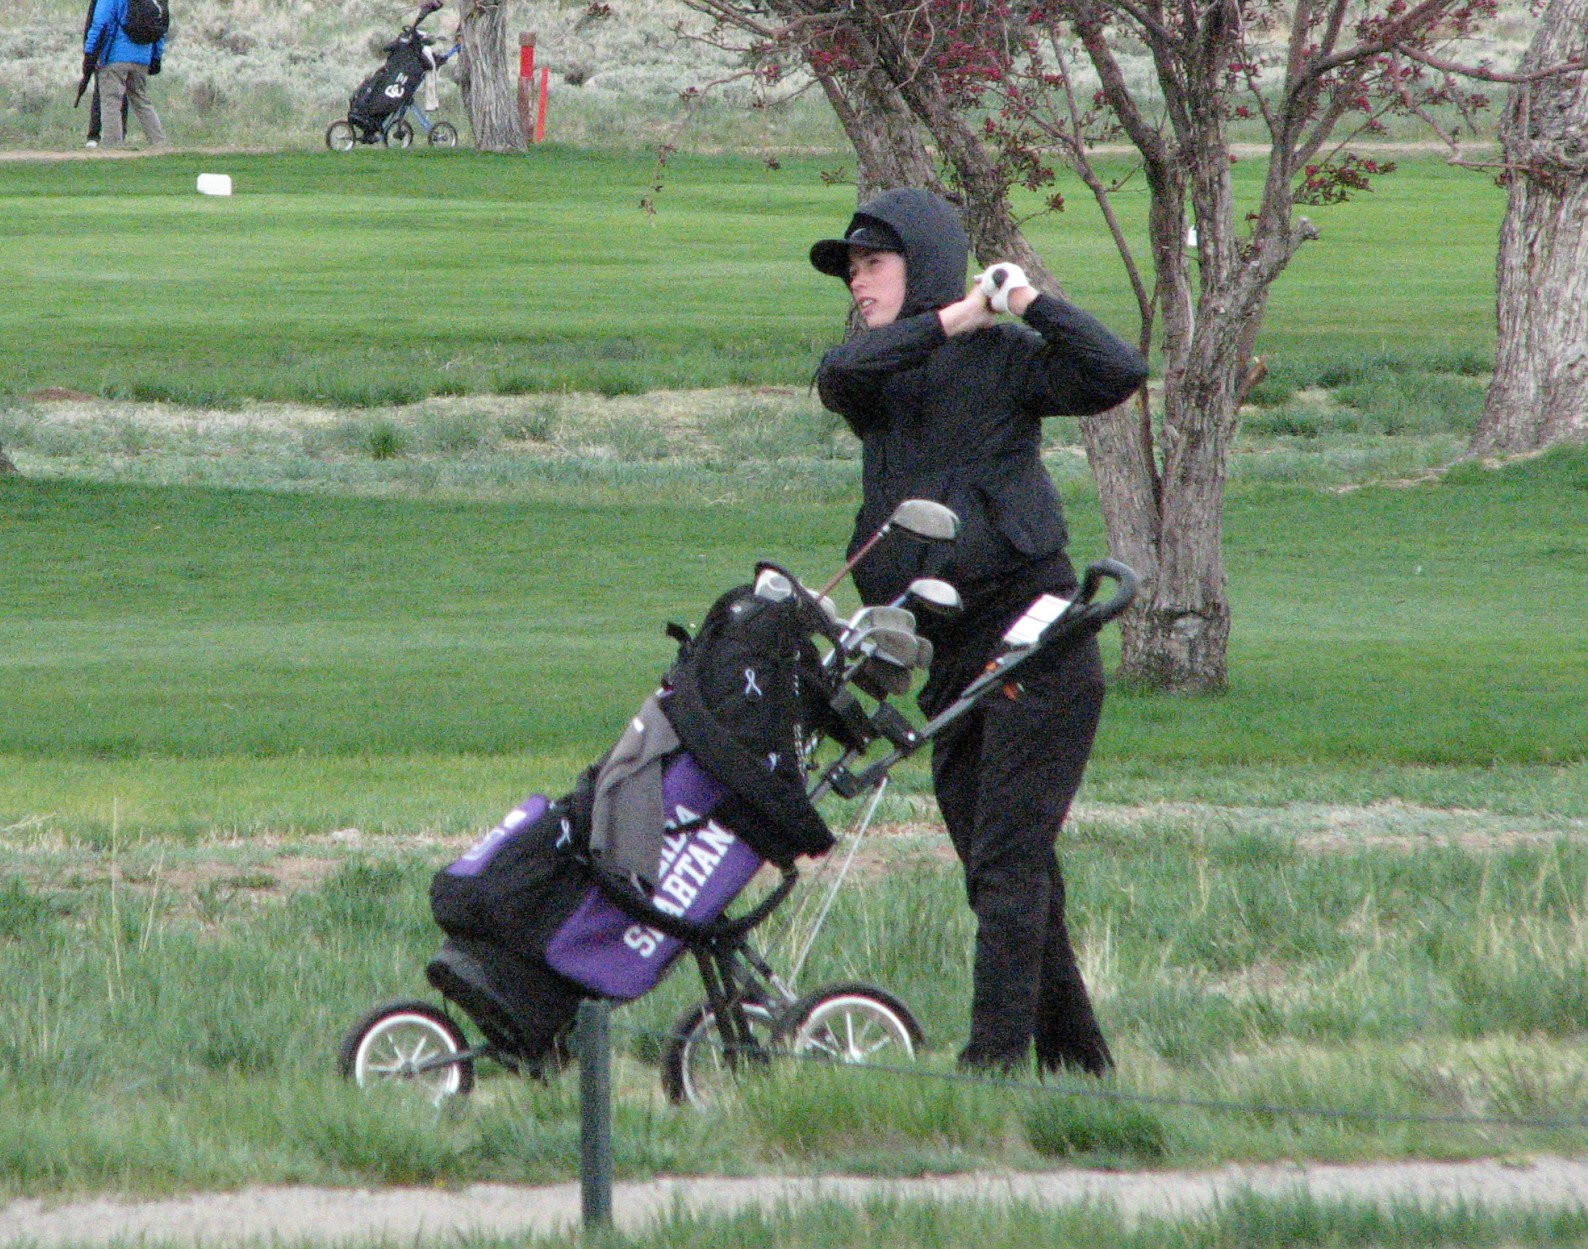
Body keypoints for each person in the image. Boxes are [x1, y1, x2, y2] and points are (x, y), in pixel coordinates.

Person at [810, 188, 1148, 1076]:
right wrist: (957, 315)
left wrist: (1028, 301)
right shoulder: (873, 374)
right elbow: (841, 374)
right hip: (949, 654)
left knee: (1007, 862)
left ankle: (993, 1065)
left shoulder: (1007, 358)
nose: (857, 283)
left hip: (1036, 634)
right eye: (852, 271)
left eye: (871, 264)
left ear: (919, 265)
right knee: (1003, 870)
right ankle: (1080, 1066)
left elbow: (1117, 372)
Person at [83, 0, 167, 150]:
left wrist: (90, 54)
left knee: (111, 101)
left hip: (114, 58)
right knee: (141, 100)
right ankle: (159, 142)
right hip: (142, 58)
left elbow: (99, 24)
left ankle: (113, 145)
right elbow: (160, 30)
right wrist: (156, 57)